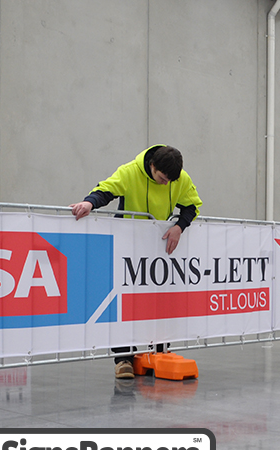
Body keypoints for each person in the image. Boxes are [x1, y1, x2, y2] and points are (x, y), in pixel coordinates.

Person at [70, 145, 203, 378]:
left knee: (160, 298)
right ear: (152, 166)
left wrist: (179, 227)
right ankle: (123, 360)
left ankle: (160, 351)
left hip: (159, 249)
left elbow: (192, 206)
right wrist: (89, 203)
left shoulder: (179, 179)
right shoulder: (130, 172)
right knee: (125, 303)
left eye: (170, 181)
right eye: (162, 178)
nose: (166, 184)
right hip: (128, 247)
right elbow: (106, 191)